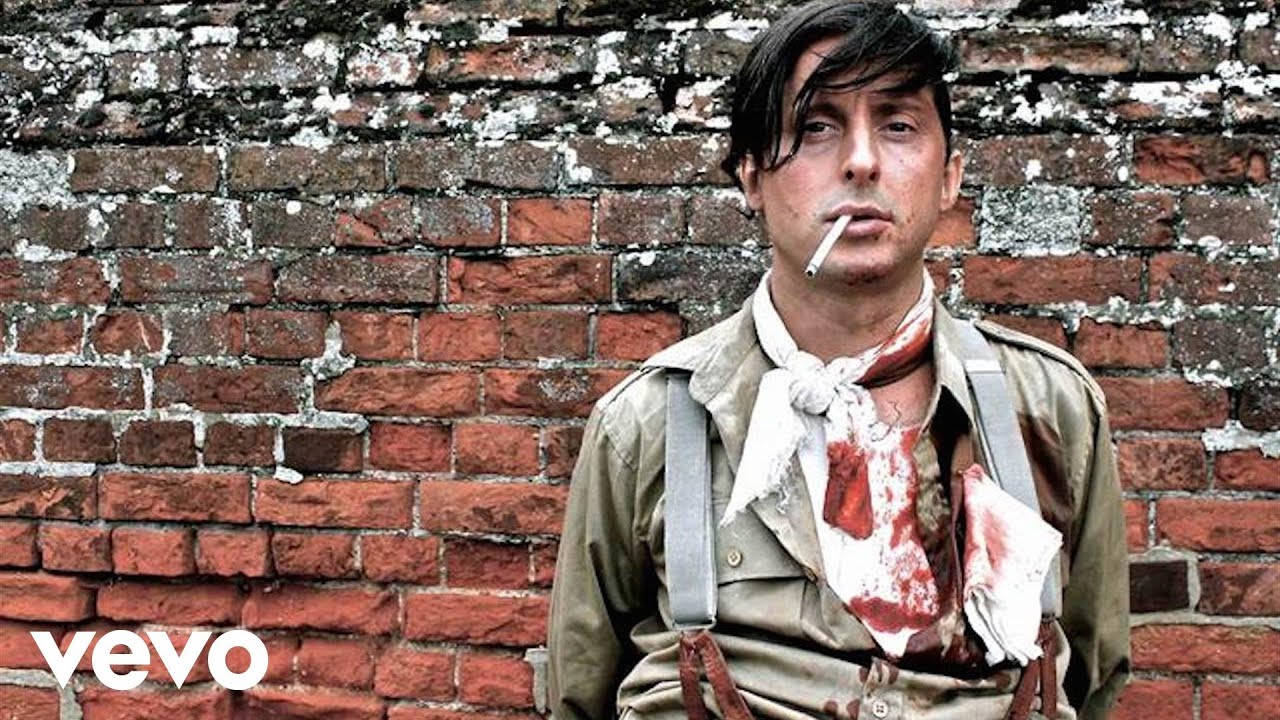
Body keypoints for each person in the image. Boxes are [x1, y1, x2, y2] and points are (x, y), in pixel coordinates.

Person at [546, 1, 1130, 718]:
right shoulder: (647, 424)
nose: (861, 161)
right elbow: (580, 694)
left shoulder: (1049, 407)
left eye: (898, 124)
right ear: (751, 176)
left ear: (949, 177)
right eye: (816, 126)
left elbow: (1093, 676)